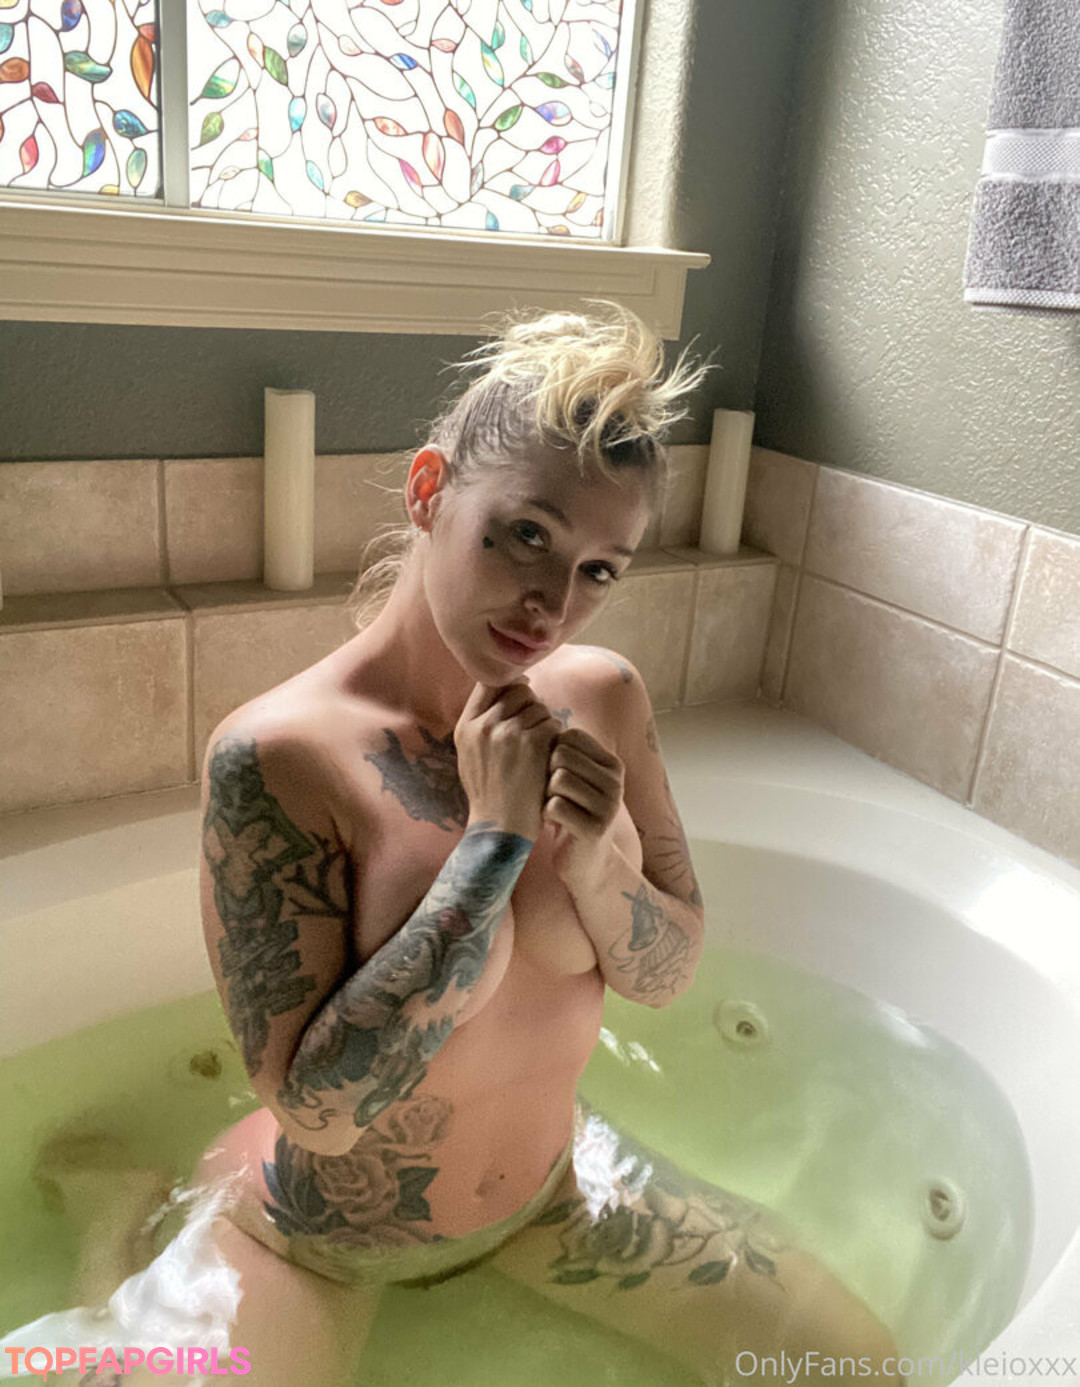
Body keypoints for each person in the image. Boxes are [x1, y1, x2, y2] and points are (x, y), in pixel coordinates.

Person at [4, 301, 903, 1387]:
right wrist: (492, 846)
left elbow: (666, 974)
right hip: (317, 1240)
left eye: (600, 569)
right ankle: (122, 1226)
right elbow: (319, 1113)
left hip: (555, 1196)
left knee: (860, 1371)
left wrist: (591, 862)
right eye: (527, 533)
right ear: (430, 490)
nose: (552, 603)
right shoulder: (279, 756)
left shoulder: (605, 698)